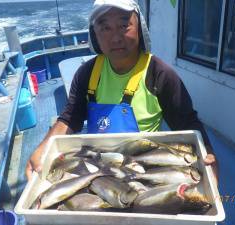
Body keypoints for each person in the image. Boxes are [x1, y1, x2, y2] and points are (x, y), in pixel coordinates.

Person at [26, 0, 217, 182]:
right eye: (105, 28)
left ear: (140, 29)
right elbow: (71, 116)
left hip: (143, 167)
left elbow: (187, 122)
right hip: (97, 165)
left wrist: (207, 152)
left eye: (124, 25)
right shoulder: (88, 73)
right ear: (95, 35)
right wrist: (45, 147)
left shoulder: (160, 74)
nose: (116, 38)